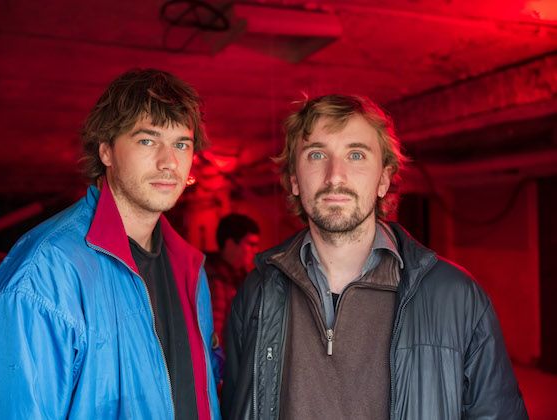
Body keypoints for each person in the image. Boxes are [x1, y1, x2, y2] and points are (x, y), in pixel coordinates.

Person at [221, 94, 528, 419]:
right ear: (295, 179)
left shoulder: (457, 297)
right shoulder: (258, 292)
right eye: (316, 154)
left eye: (356, 155)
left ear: (383, 179)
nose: (335, 176)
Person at [0, 69, 221, 419]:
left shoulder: (191, 270)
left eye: (181, 144)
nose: (169, 162)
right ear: (106, 151)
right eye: (147, 141)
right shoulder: (45, 271)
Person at [205, 213, 260, 347]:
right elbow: (214, 334)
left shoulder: (241, 278)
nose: (255, 250)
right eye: (250, 244)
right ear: (230, 244)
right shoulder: (214, 280)